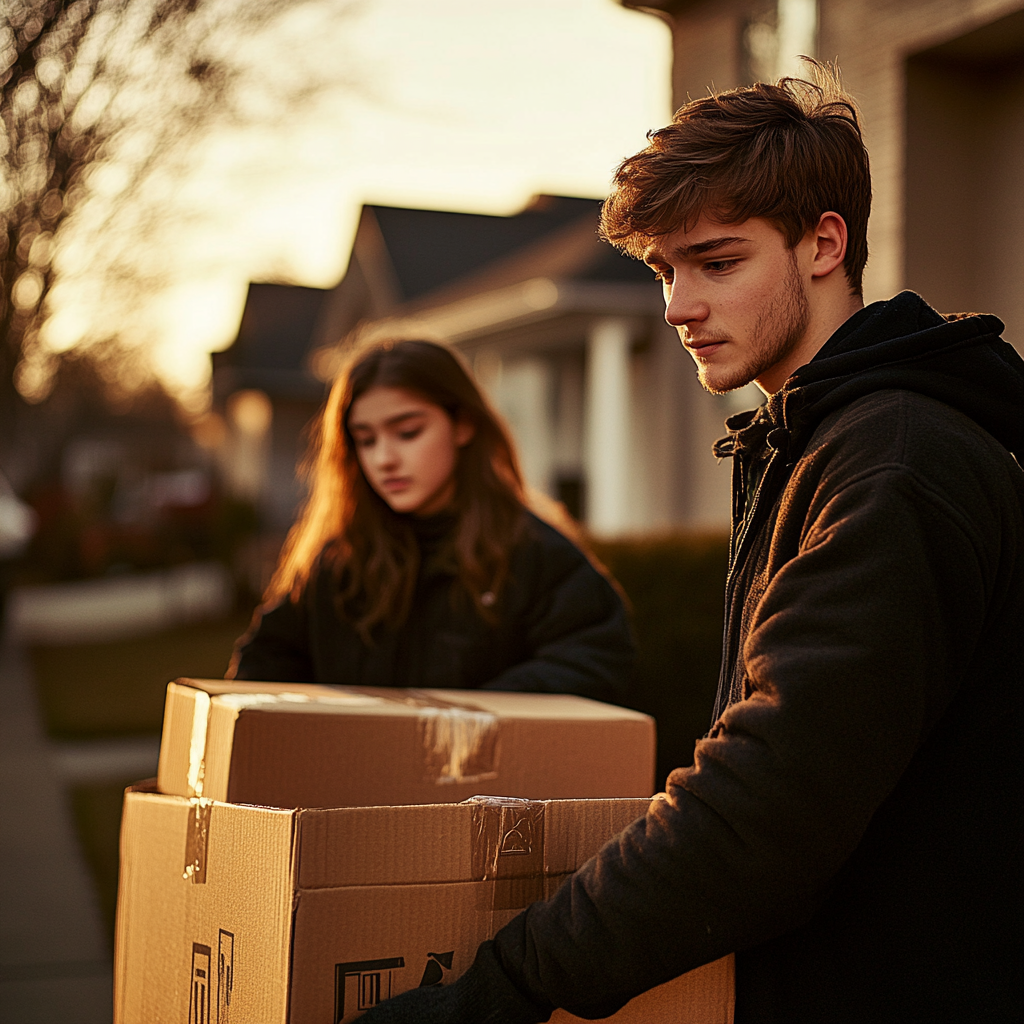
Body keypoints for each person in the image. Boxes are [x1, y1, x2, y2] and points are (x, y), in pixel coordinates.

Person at [360, 64, 1023, 1022]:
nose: (676, 306)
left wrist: (498, 993)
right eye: (666, 271)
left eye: (718, 263)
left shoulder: (892, 465)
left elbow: (766, 811)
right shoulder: (814, 442)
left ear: (824, 245)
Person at [229, 338, 632, 704]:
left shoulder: (539, 557)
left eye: (407, 432)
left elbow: (593, 668)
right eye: (366, 440)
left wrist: (455, 718)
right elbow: (259, 674)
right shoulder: (338, 561)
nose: (384, 458)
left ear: (463, 425)